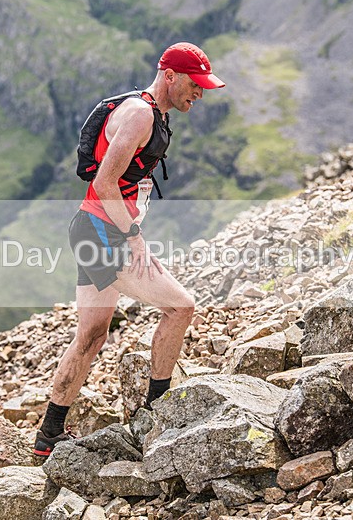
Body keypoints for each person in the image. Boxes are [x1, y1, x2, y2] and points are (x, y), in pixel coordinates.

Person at [34, 42, 226, 456]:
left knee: (90, 336)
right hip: (105, 234)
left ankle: (48, 437)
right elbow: (104, 183)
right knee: (181, 307)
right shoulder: (141, 115)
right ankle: (156, 415)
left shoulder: (146, 111)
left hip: (90, 228)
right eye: (196, 84)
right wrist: (134, 236)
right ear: (170, 76)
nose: (200, 93)